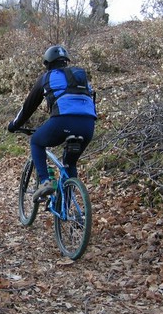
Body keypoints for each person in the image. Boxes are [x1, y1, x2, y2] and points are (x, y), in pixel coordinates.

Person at [8, 45, 97, 202]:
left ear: (47, 63)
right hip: (88, 124)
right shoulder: (80, 77)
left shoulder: (47, 77)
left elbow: (28, 106)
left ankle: (45, 181)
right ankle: (67, 207)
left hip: (62, 121)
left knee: (36, 141)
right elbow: (91, 98)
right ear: (66, 62)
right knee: (70, 163)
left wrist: (14, 125)